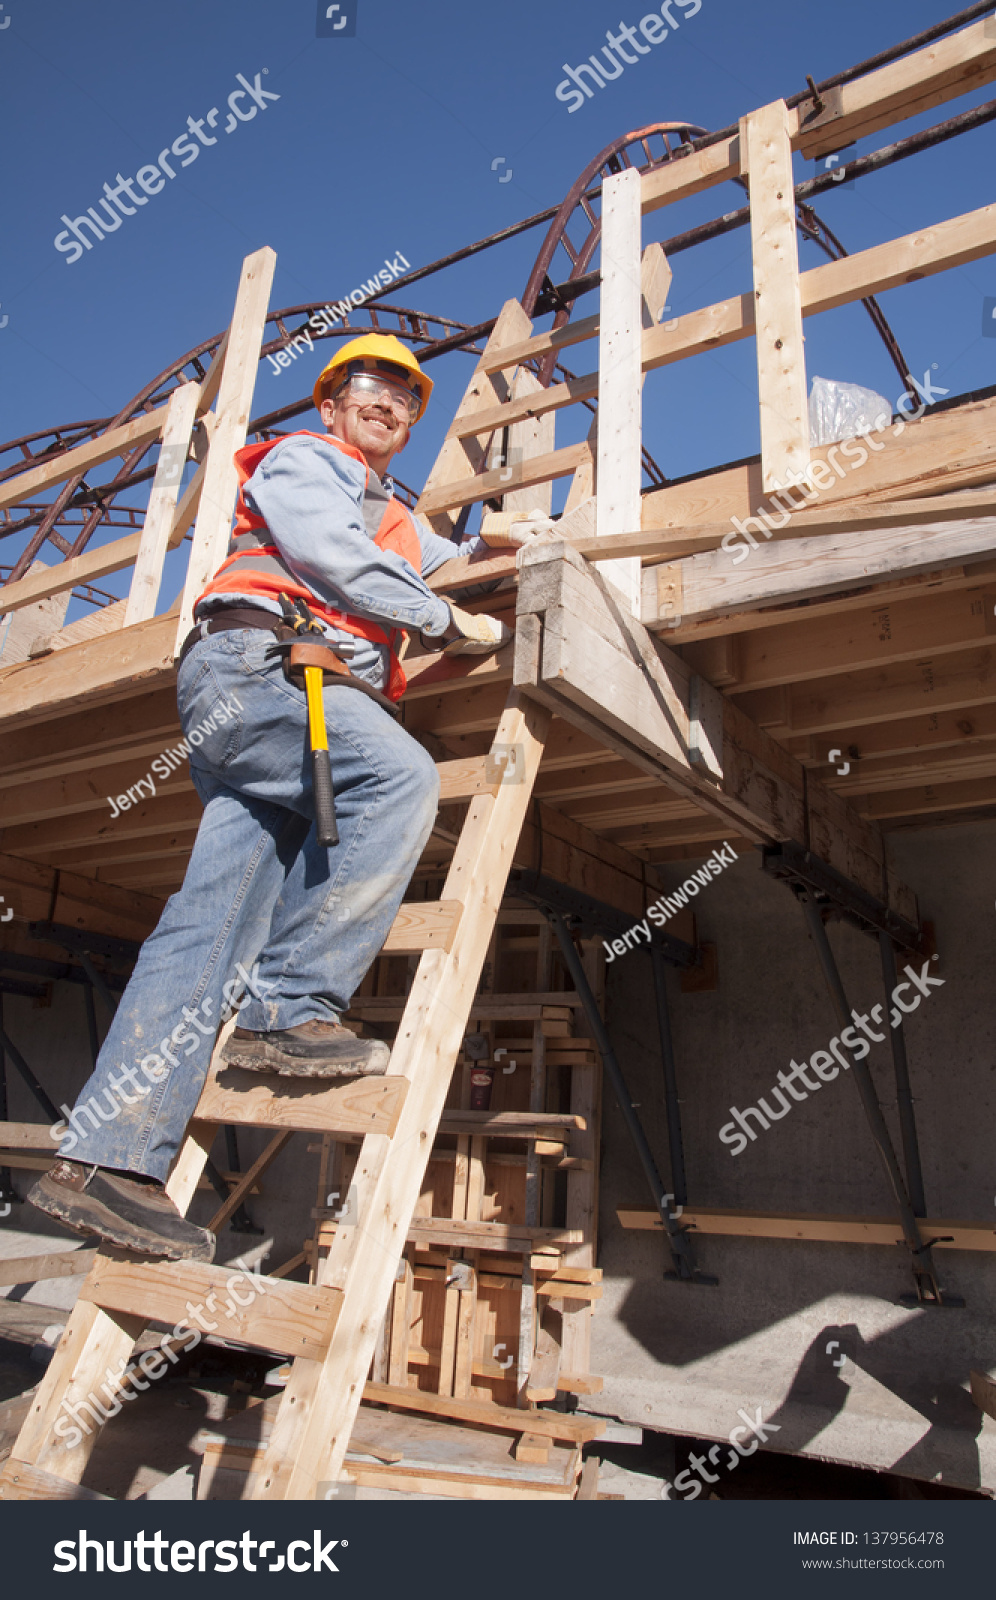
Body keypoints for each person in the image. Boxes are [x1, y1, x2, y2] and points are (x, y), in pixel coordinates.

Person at [28, 333, 548, 1261]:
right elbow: (334, 556)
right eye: (371, 390)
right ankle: (288, 1012)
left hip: (274, 705)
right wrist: (441, 620)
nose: (389, 404)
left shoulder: (391, 507)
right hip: (262, 670)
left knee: (209, 925)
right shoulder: (312, 463)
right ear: (333, 405)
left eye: (406, 396)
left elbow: (429, 553)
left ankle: (108, 1166)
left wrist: (489, 542)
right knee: (398, 776)